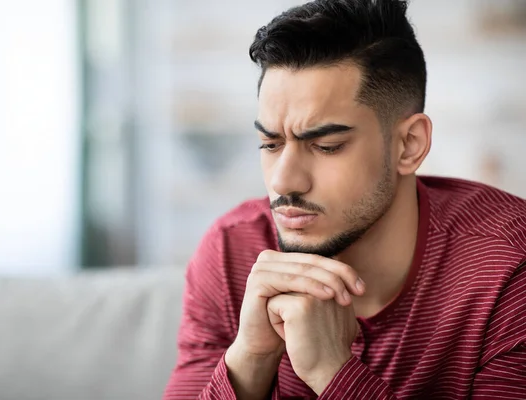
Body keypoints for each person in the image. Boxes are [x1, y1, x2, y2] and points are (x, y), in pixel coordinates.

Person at [163, 0, 526, 398]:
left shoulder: (508, 269)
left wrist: (331, 371)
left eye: (326, 145)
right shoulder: (232, 252)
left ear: (409, 145)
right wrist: (249, 359)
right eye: (270, 143)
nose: (283, 181)